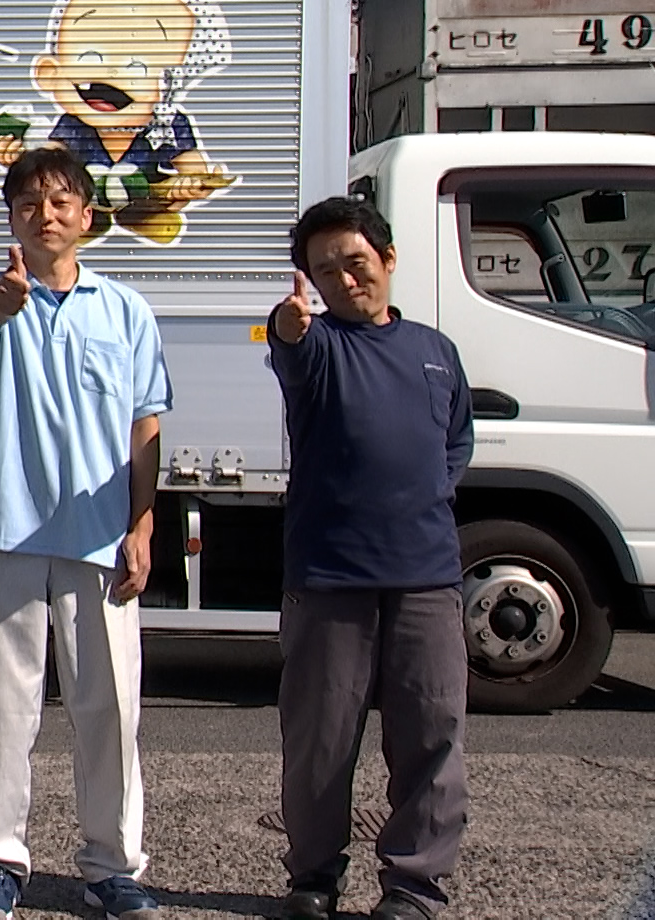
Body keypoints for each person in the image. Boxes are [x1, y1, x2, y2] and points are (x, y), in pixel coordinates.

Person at [0, 147, 171, 920]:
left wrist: (142, 524)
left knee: (110, 709)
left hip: (99, 539)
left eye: (59, 201)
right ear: (11, 219)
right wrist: (3, 300)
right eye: (28, 204)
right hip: (3, 534)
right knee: (1, 712)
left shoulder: (125, 310)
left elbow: (145, 425)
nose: (44, 214)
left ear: (86, 215)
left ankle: (113, 866)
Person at [267, 198, 472, 920]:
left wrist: (428, 496)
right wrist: (288, 329)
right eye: (325, 271)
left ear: (387, 259)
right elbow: (291, 352)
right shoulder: (317, 344)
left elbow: (456, 441)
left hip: (427, 577)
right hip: (329, 576)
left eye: (355, 263)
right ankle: (313, 878)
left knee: (431, 736)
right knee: (320, 743)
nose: (344, 280)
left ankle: (414, 886)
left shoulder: (435, 351)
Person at [0, 0, 233, 246]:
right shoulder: (74, 126)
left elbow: (193, 168)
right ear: (51, 72)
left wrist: (189, 186)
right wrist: (21, 158)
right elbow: (52, 157)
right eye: (90, 56)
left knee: (159, 211)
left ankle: (141, 216)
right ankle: (92, 218)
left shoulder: (168, 125)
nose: (111, 73)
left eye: (137, 67)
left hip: (145, 199)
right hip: (89, 202)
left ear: (168, 86)